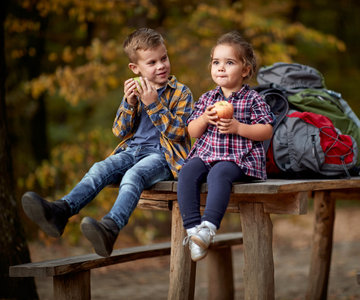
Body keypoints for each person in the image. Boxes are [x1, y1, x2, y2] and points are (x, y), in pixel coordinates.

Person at [21, 28, 194, 257]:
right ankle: (60, 212)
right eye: (152, 62)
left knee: (134, 175)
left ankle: (110, 227)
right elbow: (119, 130)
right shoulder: (136, 91)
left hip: (164, 156)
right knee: (99, 168)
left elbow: (180, 133)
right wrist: (130, 102)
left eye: (164, 58)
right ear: (135, 68)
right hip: (132, 150)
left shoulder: (181, 92)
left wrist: (153, 104)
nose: (161, 65)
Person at [177, 31, 274, 262]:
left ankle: (208, 227)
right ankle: (193, 232)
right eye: (216, 62)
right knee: (188, 171)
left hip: (239, 159)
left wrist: (239, 127)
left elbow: (266, 130)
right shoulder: (207, 99)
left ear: (245, 70)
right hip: (206, 154)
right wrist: (203, 120)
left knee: (219, 173)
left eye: (229, 62)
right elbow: (191, 131)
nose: (221, 67)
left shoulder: (253, 99)